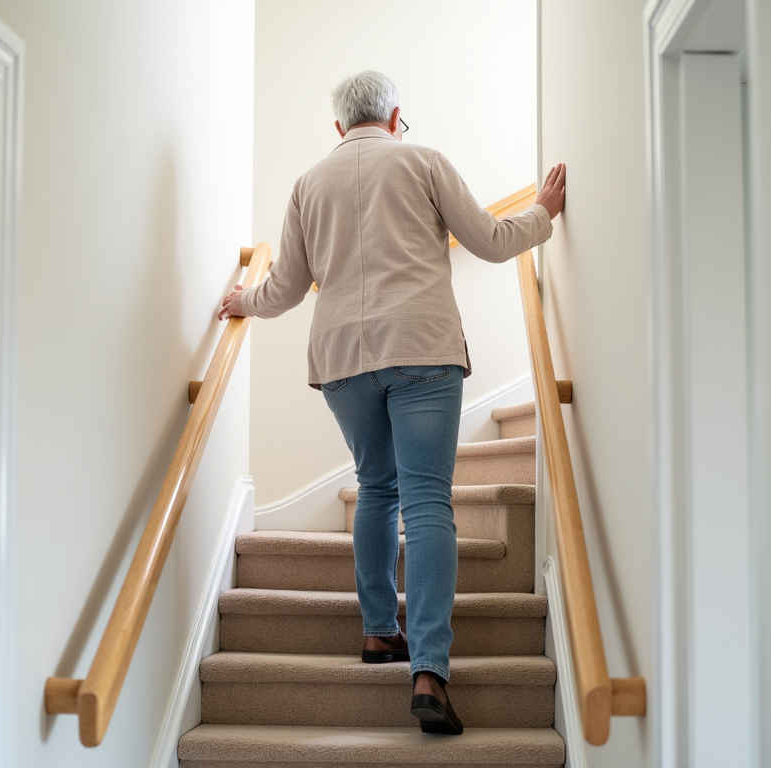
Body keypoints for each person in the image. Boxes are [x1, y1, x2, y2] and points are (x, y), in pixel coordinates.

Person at [219, 71, 565, 735]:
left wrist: (244, 302)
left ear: (339, 126)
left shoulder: (307, 185)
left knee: (376, 488)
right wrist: (543, 211)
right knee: (428, 501)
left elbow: (285, 288)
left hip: (342, 360)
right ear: (395, 114)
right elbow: (493, 242)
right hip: (421, 347)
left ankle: (380, 630)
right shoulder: (423, 160)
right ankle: (429, 670)